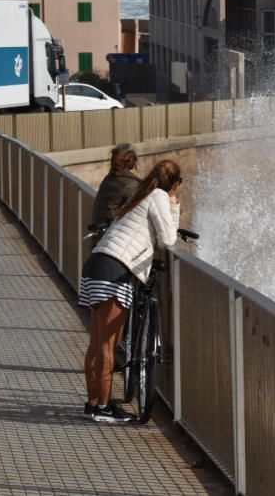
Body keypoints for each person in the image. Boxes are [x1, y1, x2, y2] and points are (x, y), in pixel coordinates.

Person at [79, 160, 182, 423]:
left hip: (96, 264)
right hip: (116, 270)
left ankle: (94, 403)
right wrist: (174, 204)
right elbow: (168, 239)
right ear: (175, 184)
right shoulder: (158, 195)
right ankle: (102, 407)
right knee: (107, 345)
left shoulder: (142, 194)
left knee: (97, 342)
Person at [90, 143, 140, 225]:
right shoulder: (132, 185)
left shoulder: (108, 179)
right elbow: (134, 216)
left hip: (98, 230)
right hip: (113, 232)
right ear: (134, 163)